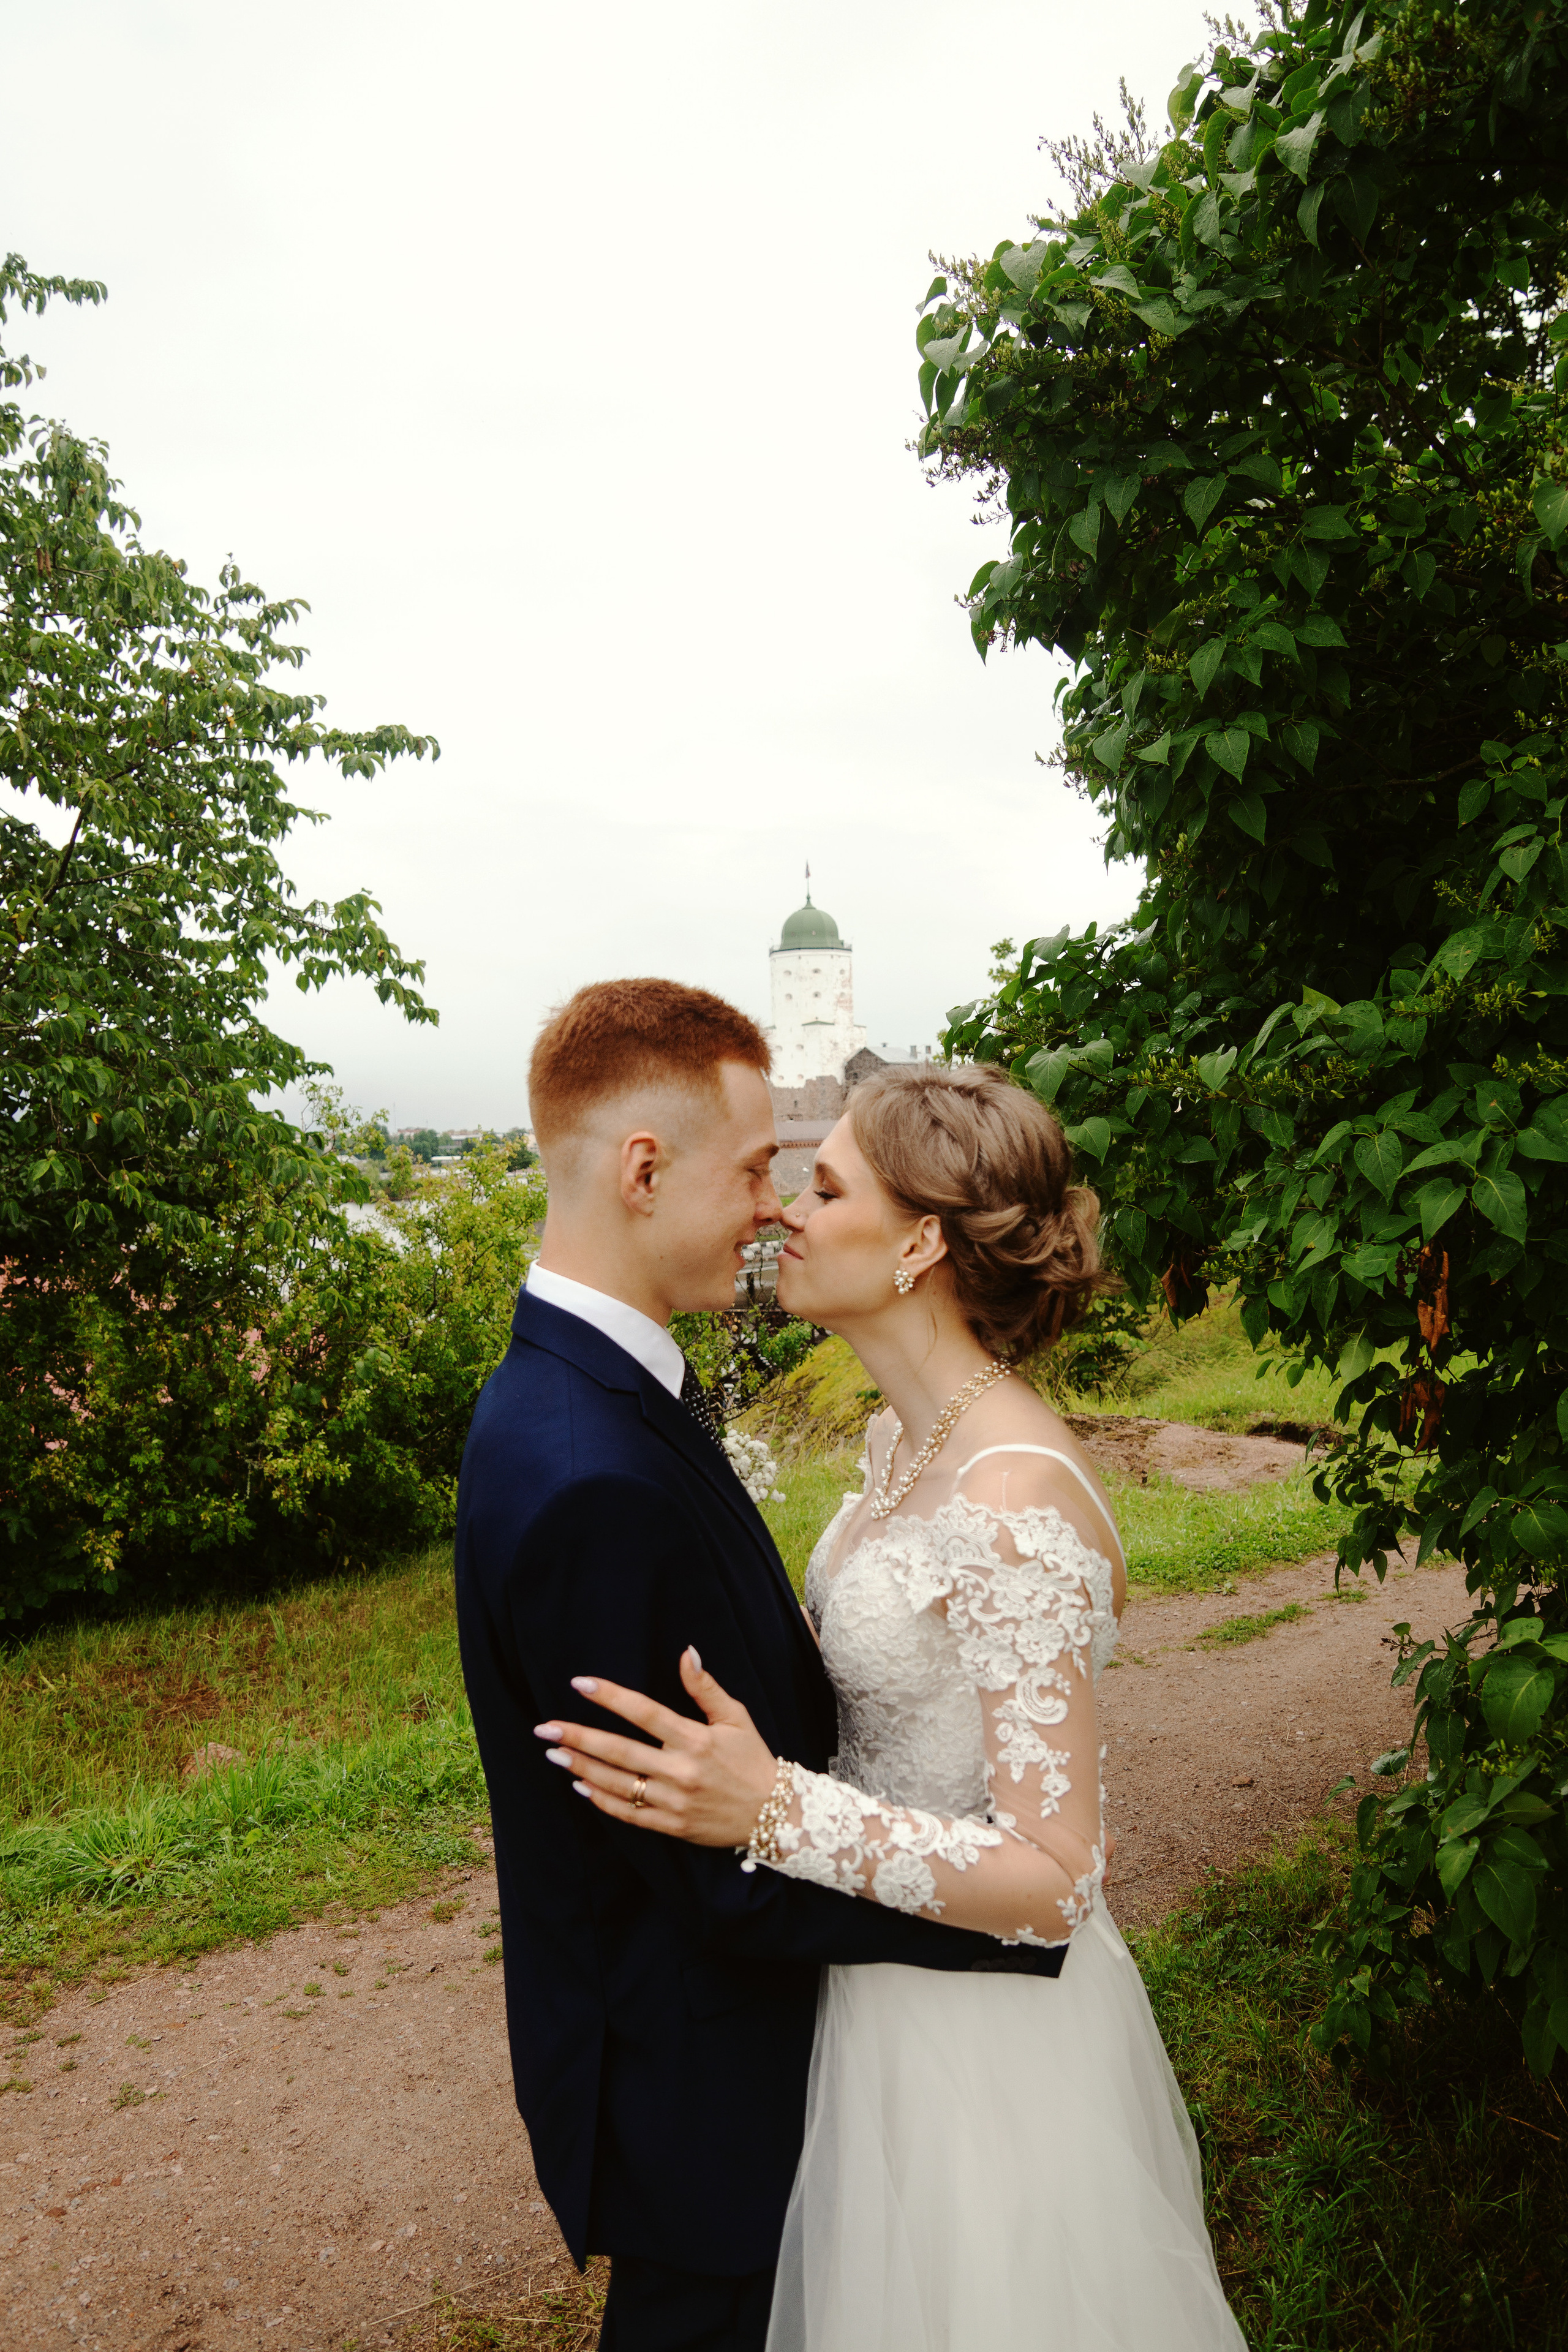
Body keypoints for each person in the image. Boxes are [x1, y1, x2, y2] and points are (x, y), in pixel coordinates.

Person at [537, 1063, 1248, 2351]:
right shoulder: (893, 1449)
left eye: (819, 1187)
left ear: (919, 1240)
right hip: (865, 1994)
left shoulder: (1015, 1503)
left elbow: (1054, 1878)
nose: (782, 1216)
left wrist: (776, 1812)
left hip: (980, 2043)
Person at [454, 984, 1066, 2352]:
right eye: (753, 1170)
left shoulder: (590, 1393)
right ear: (641, 1168)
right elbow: (710, 1870)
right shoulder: (582, 1474)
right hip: (705, 2100)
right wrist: (1012, 1923)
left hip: (769, 2065)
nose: (771, 1205)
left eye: (803, 1179)